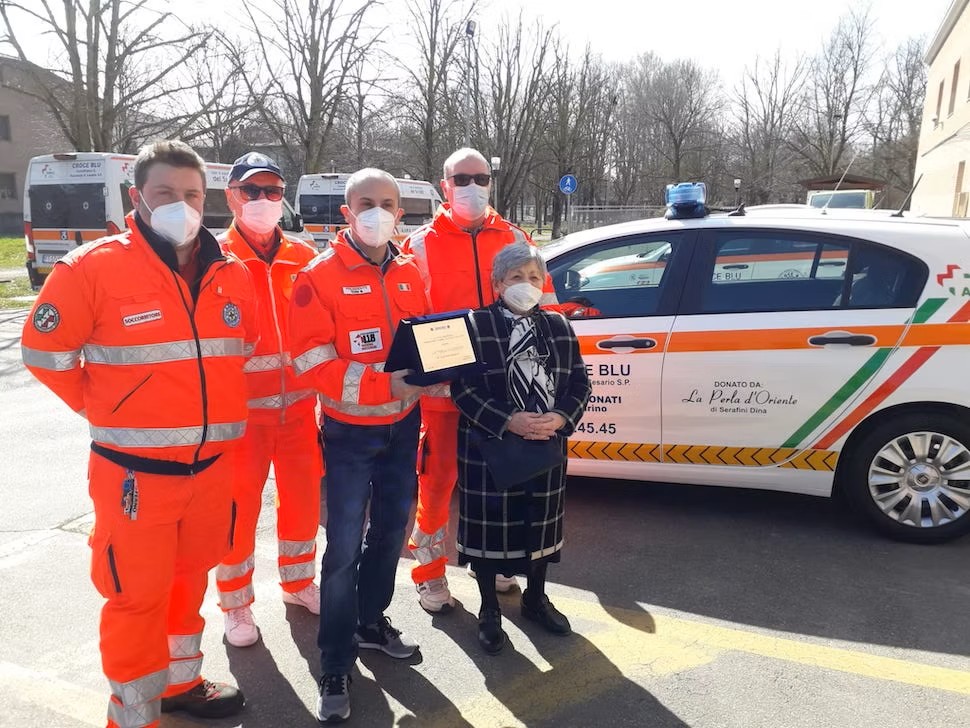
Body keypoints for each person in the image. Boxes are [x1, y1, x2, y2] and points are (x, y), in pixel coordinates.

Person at [21, 140, 253, 727]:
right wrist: (110, 408)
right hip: (135, 477)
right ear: (137, 198)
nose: (182, 205)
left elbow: (236, 354)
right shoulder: (93, 268)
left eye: (192, 195)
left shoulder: (230, 271)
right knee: (135, 600)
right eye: (166, 194)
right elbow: (43, 353)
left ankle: (180, 683)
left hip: (210, 472)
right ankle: (132, 718)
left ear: (208, 200)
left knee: (187, 584)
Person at [289, 168, 429, 723]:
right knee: (344, 548)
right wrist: (382, 385)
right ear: (346, 213)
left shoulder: (410, 271)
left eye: (388, 204)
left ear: (400, 213)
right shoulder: (316, 277)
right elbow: (311, 362)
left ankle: (372, 622)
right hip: (349, 433)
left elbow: (423, 341)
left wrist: (440, 371)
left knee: (392, 532)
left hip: (403, 429)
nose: (378, 212)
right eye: (366, 203)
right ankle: (334, 660)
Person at [403, 147, 560, 614]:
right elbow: (412, 324)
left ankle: (502, 564)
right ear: (444, 184)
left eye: (482, 177)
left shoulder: (514, 236)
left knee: (505, 481)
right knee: (436, 485)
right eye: (462, 178)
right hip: (448, 396)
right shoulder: (419, 245)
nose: (473, 186)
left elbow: (543, 307)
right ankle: (429, 574)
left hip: (508, 396)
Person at [451, 242, 591, 654]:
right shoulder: (473, 325)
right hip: (488, 445)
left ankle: (535, 598)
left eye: (533, 277)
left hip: (545, 444)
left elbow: (580, 384)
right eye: (516, 278)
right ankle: (489, 609)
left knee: (540, 525)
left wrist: (562, 417)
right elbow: (462, 389)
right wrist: (507, 419)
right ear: (497, 284)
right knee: (489, 531)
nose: (526, 285)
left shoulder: (560, 327)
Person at [215, 152, 323, 648]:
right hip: (240, 420)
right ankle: (235, 605)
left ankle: (299, 583)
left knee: (302, 503)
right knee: (236, 512)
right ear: (231, 195)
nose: (262, 200)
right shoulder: (212, 258)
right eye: (251, 191)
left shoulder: (304, 258)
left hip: (300, 411)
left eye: (272, 192)